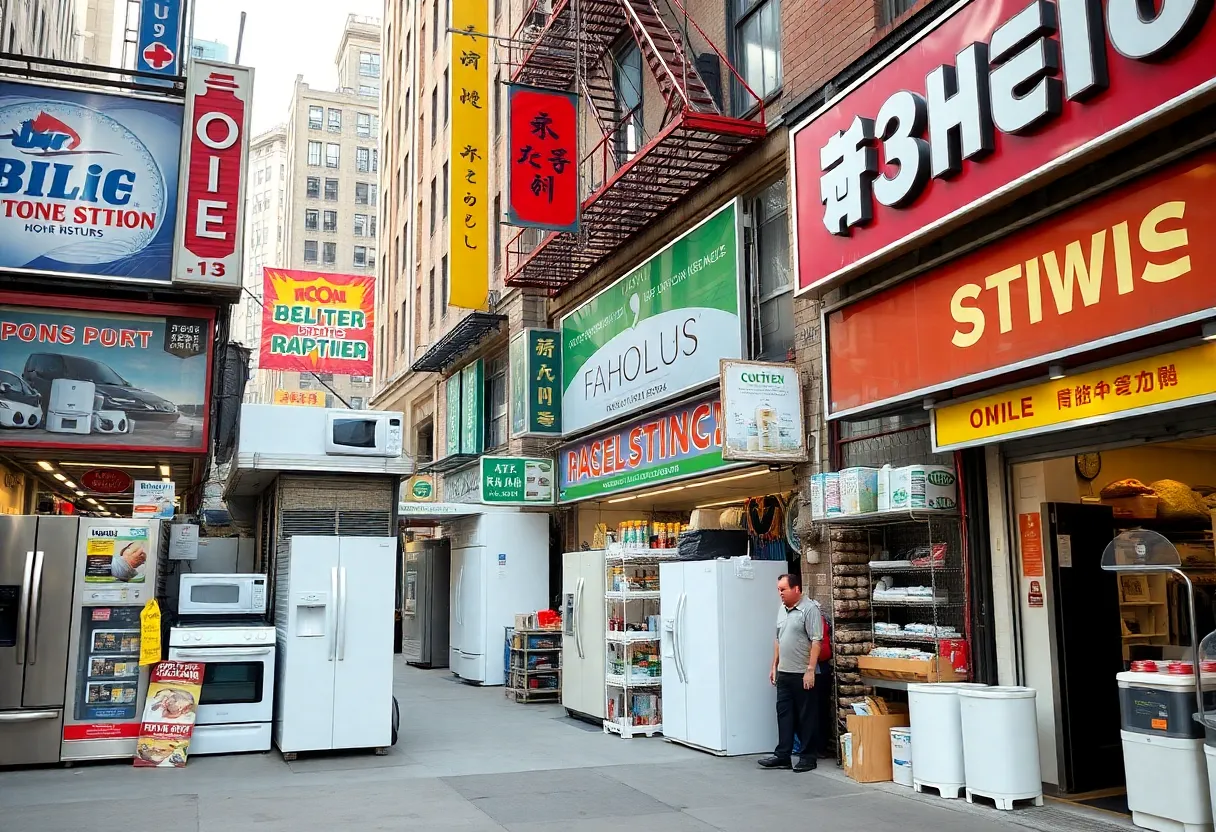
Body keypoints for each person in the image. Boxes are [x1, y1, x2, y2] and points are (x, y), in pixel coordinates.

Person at [758, 572, 822, 772]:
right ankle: (782, 755)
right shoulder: (782, 610)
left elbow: (816, 641)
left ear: (796, 589)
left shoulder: (809, 609)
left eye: (783, 589)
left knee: (806, 717)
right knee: (784, 715)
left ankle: (808, 757)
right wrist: (773, 665)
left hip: (803, 672)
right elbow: (778, 639)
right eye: (778, 590)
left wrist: (810, 670)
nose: (780, 594)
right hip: (784, 672)